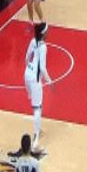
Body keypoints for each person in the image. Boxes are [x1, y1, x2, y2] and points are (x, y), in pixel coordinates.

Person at [24, 23, 53, 151]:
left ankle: (38, 128)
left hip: (26, 74)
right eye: (47, 30)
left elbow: (26, 58)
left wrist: (29, 70)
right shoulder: (43, 47)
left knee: (35, 106)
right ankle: (35, 143)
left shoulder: (32, 41)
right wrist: (50, 81)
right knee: (38, 108)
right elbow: (42, 68)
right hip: (34, 79)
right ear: (43, 33)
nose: (49, 32)